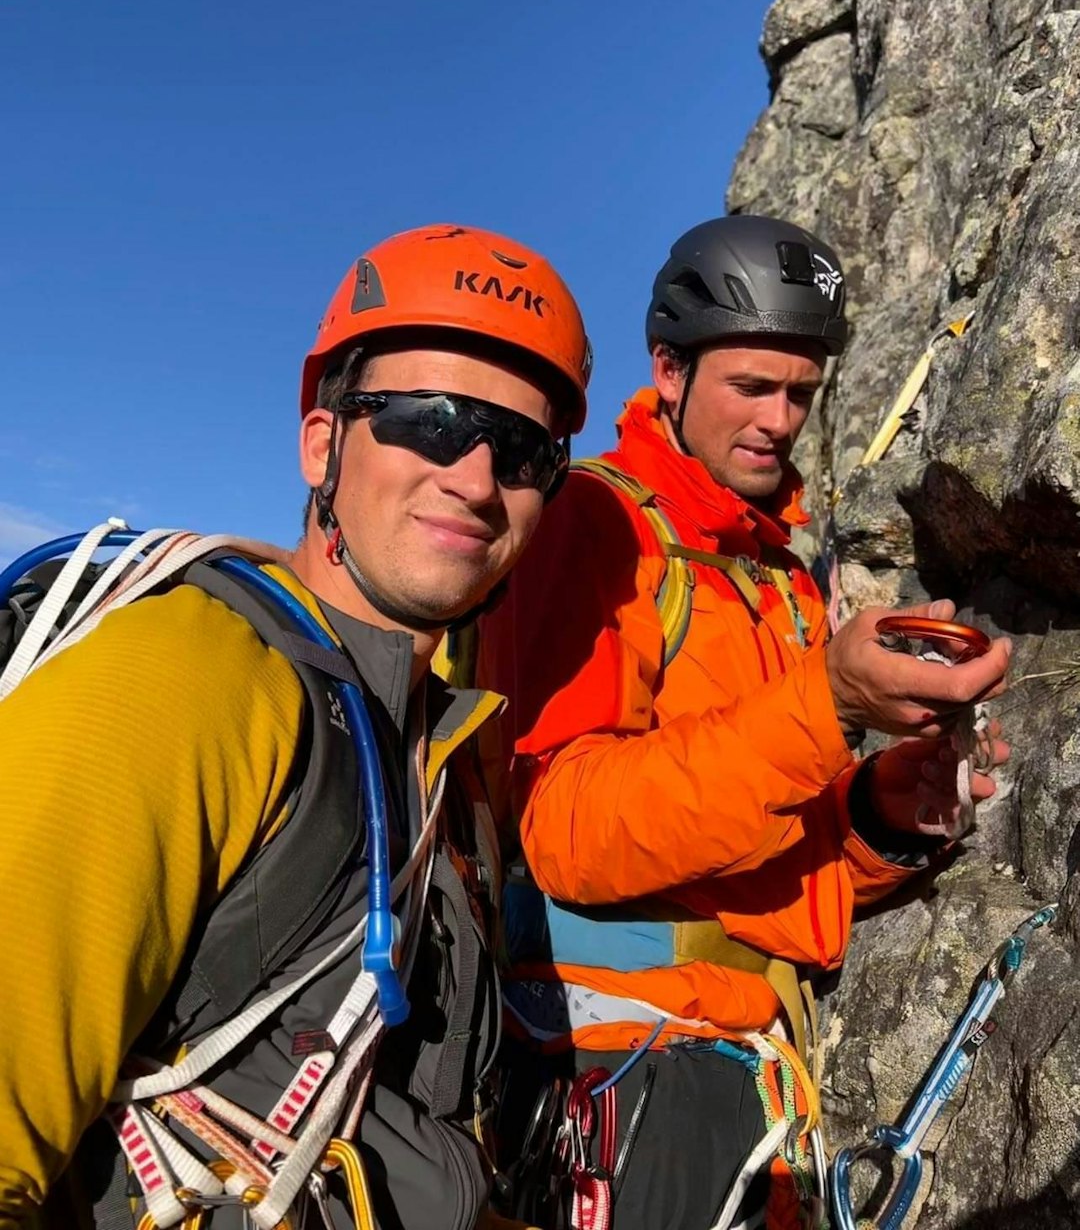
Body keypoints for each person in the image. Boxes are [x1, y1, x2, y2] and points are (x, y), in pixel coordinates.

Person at [0, 223, 591, 1230]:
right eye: (433, 421)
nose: (479, 480)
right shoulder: (185, 675)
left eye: (525, 450)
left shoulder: (441, 758)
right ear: (323, 441)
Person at [477, 216, 1012, 1230]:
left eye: (801, 393)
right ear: (668, 372)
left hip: (754, 1071)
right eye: (752, 388)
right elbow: (568, 835)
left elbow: (769, 863)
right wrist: (829, 702)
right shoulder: (598, 526)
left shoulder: (776, 579)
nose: (780, 420)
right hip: (620, 1078)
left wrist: (886, 816)